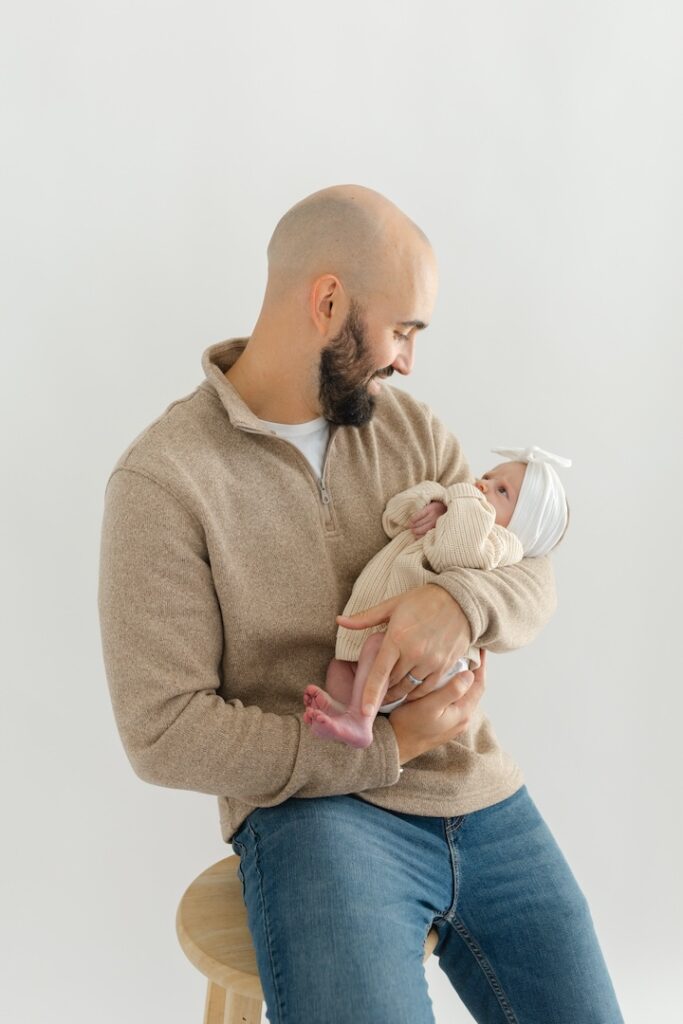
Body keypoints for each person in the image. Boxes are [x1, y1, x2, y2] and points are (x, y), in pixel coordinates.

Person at [97, 184, 623, 1023]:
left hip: (478, 791)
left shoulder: (408, 429)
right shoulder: (165, 481)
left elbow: (530, 573)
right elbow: (163, 732)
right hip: (318, 815)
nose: (408, 361)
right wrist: (384, 747)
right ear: (328, 302)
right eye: (403, 329)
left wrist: (456, 603)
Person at [303, 447, 571, 748]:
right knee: (339, 668)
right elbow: (393, 517)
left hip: (432, 663)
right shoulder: (454, 510)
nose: (482, 484)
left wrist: (459, 502)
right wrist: (434, 501)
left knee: (376, 648)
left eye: (502, 491)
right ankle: (350, 715)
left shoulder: (499, 543)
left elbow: (454, 552)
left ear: (521, 525)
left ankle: (360, 720)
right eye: (487, 476)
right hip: (387, 637)